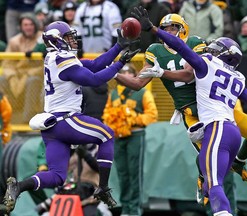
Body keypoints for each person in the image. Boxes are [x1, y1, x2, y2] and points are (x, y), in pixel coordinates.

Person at [131, 6, 247, 215]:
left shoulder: (206, 65)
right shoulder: (237, 77)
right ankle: (224, 171)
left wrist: (153, 29)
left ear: (221, 55)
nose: (208, 51)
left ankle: (216, 197)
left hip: (217, 129)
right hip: (232, 131)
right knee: (213, 177)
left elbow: (181, 47)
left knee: (215, 185)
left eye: (214, 50)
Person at [2, 20, 140, 214]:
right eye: (68, 37)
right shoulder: (62, 59)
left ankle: (19, 186)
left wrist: (118, 46)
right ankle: (103, 187)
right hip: (65, 120)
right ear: (57, 40)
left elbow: (94, 64)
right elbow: (94, 79)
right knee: (107, 134)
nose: (73, 40)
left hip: (51, 128)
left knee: (57, 176)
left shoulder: (55, 58)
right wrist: (120, 63)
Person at [102, 63, 158, 216]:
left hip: (135, 135)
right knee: (122, 173)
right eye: (122, 71)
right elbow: (106, 114)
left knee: (135, 173)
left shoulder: (143, 93)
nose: (125, 74)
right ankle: (125, 208)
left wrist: (134, 119)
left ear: (134, 75)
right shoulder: (113, 94)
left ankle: (135, 209)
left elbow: (152, 115)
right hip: (118, 138)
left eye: (129, 72)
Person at [0, 13, 44, 123]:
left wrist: (30, 73)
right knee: (2, 80)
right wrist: (12, 76)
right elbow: (7, 64)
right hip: (17, 76)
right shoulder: (14, 41)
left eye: (31, 24)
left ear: (35, 25)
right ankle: (7, 119)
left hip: (38, 76)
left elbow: (46, 64)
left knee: (32, 81)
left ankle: (27, 120)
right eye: (25, 25)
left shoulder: (43, 38)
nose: (28, 27)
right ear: (21, 26)